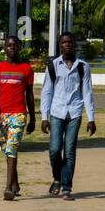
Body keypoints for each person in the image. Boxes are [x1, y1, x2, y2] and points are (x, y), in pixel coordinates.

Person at [40, 31, 96, 201]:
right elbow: (47, 91)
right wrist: (44, 116)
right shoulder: (53, 65)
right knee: (55, 149)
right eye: (64, 42)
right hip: (57, 112)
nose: (67, 45)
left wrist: (91, 118)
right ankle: (57, 178)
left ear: (74, 45)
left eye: (70, 42)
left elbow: (87, 93)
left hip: (74, 113)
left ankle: (66, 187)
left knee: (69, 151)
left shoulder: (82, 67)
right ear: (60, 45)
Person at [0, 36, 36, 201]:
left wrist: (33, 118)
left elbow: (30, 95)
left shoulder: (26, 69)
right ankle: (15, 183)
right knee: (7, 151)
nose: (12, 48)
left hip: (19, 115)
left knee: (12, 149)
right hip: (1, 116)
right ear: (4, 48)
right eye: (9, 45)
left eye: (15, 45)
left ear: (19, 48)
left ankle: (8, 189)